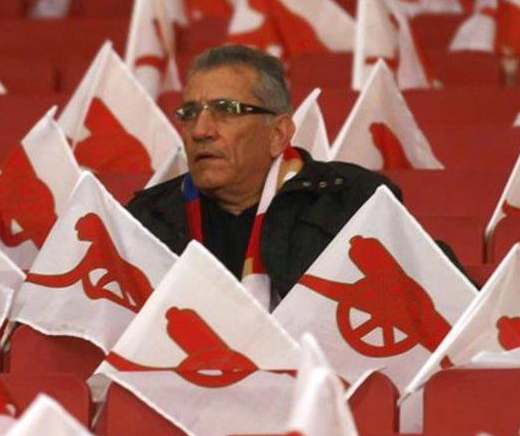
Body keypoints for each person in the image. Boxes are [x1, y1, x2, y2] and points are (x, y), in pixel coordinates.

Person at [127, 45, 460, 301]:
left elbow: (444, 295)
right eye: (189, 113)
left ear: (278, 134)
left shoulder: (352, 200)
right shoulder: (146, 218)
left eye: (226, 111)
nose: (200, 130)